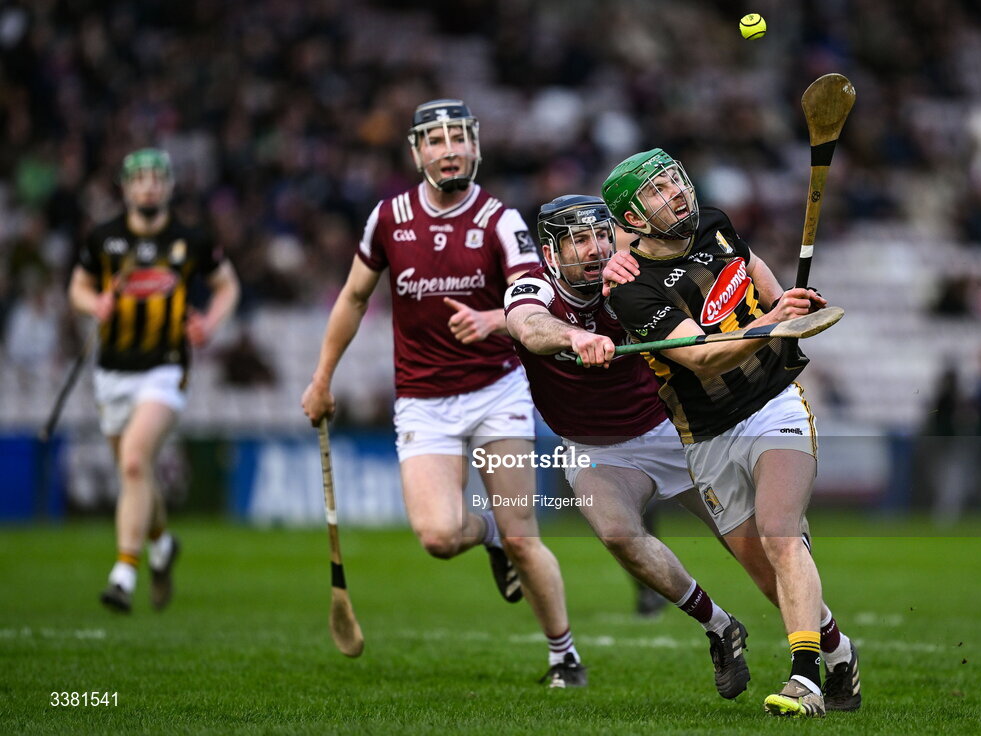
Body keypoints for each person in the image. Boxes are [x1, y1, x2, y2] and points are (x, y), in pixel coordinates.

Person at [301, 100, 585, 687]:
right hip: (424, 401)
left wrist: (492, 319)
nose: (449, 148)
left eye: (459, 136)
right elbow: (354, 299)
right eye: (435, 140)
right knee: (436, 536)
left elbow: (533, 302)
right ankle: (488, 540)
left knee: (523, 534)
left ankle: (565, 657)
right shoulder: (388, 219)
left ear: (476, 146)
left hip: (496, 391)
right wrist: (322, 377)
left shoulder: (502, 221)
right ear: (417, 152)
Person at [601, 149, 859, 716]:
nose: (677, 195)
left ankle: (805, 680)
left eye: (675, 182)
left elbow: (750, 265)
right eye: (658, 192)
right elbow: (705, 358)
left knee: (780, 532)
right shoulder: (630, 290)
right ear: (634, 219)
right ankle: (839, 653)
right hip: (708, 434)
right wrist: (774, 322)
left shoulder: (714, 223)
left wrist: (778, 301)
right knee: (767, 577)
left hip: (774, 404)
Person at [505, 194, 752, 699]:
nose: (594, 249)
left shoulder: (635, 270)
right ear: (550, 254)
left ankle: (826, 646)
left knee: (755, 545)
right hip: (597, 447)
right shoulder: (533, 287)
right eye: (578, 240)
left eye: (600, 235)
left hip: (671, 428)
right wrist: (574, 337)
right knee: (618, 534)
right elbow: (529, 328)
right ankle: (719, 626)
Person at [68, 148, 240, 613]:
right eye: (138, 179)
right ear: (125, 187)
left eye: (155, 179)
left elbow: (229, 286)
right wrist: (94, 305)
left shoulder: (191, 239)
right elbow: (77, 288)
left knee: (132, 463)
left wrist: (210, 322)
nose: (147, 187)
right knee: (137, 473)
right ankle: (162, 545)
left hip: (164, 368)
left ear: (168, 186)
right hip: (111, 371)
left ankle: (124, 573)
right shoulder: (104, 239)